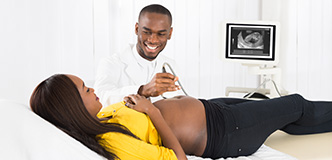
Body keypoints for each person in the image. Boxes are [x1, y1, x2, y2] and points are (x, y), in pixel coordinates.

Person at [30, 74, 332, 159]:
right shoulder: (111, 142)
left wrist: (146, 96)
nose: (92, 88)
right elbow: (176, 159)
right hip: (224, 133)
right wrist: (150, 110)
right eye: (85, 89)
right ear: (71, 107)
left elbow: (145, 116)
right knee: (296, 105)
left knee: (282, 111)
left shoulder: (105, 115)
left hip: (212, 110)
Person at [94, 4, 181, 107]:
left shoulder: (171, 65)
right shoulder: (111, 63)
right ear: (136, 29)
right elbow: (100, 97)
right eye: (146, 32)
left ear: (170, 34)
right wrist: (142, 90)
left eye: (161, 34)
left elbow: (176, 103)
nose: (153, 40)